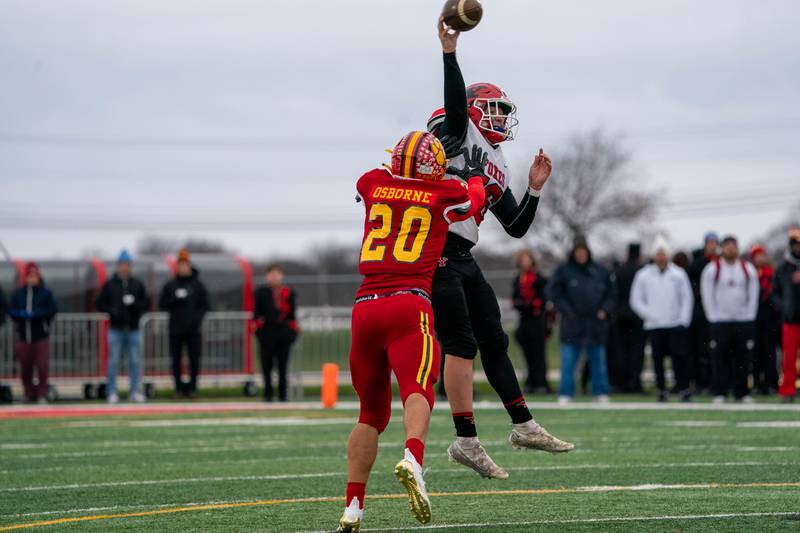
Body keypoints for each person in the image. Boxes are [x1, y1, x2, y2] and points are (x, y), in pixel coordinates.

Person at [424, 17, 573, 481]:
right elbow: (453, 103)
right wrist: (450, 54)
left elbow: (516, 227)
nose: (502, 119)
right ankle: (466, 439)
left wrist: (534, 189)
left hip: (463, 254)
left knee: (494, 339)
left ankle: (523, 425)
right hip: (435, 247)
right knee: (462, 342)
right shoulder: (456, 128)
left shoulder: (498, 160)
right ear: (473, 109)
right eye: (495, 110)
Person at [336, 131, 486, 532]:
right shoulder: (443, 193)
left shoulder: (372, 182)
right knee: (418, 387)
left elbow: (372, 182)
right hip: (408, 302)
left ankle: (354, 507)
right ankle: (414, 460)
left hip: (365, 307)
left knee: (369, 413)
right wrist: (472, 176)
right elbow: (475, 200)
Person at [547, 236, 614, 404]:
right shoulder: (564, 271)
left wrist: (604, 310)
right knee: (568, 361)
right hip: (572, 323)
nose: (581, 254)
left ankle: (601, 392)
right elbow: (554, 293)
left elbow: (612, 294)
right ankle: (566, 393)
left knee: (598, 361)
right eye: (578, 251)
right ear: (573, 252)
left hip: (595, 324)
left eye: (584, 251)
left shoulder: (600, 270)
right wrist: (567, 311)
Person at [629, 236, 694, 402]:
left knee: (679, 357)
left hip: (675, 324)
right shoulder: (643, 275)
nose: (661, 257)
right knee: (658, 360)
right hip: (654, 325)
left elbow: (687, 298)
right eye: (658, 254)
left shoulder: (678, 274)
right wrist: (650, 314)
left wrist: (683, 320)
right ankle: (662, 389)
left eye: (663, 254)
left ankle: (683, 388)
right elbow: (635, 300)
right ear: (653, 256)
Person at [700, 235, 758, 403]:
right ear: (722, 248)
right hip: (720, 321)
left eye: (733, 245)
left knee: (743, 358)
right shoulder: (712, 269)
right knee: (720, 358)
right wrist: (713, 317)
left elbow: (753, 295)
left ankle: (741, 393)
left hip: (743, 320)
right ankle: (721, 392)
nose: (730, 249)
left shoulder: (748, 269)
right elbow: (707, 294)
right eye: (727, 246)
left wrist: (749, 317)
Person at [96, 250, 149, 404]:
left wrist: (134, 304)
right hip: (116, 330)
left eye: (127, 265)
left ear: (130, 266)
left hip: (133, 329)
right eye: (122, 265)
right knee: (113, 362)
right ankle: (112, 392)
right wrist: (112, 311)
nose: (124, 268)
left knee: (134, 362)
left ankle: (134, 392)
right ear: (118, 266)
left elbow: (146, 303)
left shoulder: (137, 284)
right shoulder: (110, 284)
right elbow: (100, 303)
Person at [159, 249, 209, 399]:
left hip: (193, 330)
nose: (183, 267)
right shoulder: (170, 285)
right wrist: (175, 299)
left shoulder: (198, 285)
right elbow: (162, 304)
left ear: (189, 265)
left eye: (185, 264)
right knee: (175, 361)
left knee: (194, 360)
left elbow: (205, 305)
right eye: (180, 264)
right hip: (175, 329)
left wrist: (196, 320)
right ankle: (179, 389)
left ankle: (192, 389)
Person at [8, 262, 57, 403]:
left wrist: (36, 314)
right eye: (29, 275)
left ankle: (42, 394)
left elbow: (52, 310)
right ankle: (28, 394)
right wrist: (20, 314)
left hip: (41, 336)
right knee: (25, 368)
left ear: (38, 276)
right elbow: (11, 310)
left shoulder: (46, 293)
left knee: (42, 367)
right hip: (24, 337)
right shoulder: (18, 294)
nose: (32, 278)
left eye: (34, 275)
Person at [254, 264, 299, 402]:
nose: (274, 277)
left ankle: (283, 395)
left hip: (283, 334)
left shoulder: (289, 293)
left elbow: (292, 316)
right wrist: (260, 332)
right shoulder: (260, 293)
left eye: (277, 274)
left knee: (282, 367)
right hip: (267, 334)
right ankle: (268, 394)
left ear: (281, 275)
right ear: (267, 276)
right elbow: (256, 315)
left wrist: (291, 333)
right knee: (266, 366)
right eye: (271, 274)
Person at [511, 250, 552, 394]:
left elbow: (541, 301)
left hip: (538, 321)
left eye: (527, 259)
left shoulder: (540, 279)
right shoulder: (517, 279)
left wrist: (528, 304)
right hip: (524, 321)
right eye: (522, 260)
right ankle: (530, 382)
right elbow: (515, 301)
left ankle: (541, 383)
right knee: (527, 354)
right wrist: (526, 304)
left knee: (538, 354)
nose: (525, 263)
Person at [611, 243, 645, 393]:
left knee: (621, 352)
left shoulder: (619, 271)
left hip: (620, 316)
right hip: (638, 316)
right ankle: (634, 383)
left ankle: (620, 383)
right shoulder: (642, 271)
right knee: (637, 352)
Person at [687, 232, 718, 393]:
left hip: (718, 313)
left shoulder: (720, 263)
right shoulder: (697, 264)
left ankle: (716, 381)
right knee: (700, 349)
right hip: (700, 312)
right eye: (710, 243)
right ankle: (701, 382)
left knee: (715, 349)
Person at [773, 228, 800, 403]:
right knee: (788, 358)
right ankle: (787, 389)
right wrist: (785, 307)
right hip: (790, 320)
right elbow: (775, 294)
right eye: (796, 245)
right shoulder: (783, 269)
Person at [749, 244, 780, 395]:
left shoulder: (772, 274)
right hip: (754, 318)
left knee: (770, 352)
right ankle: (757, 384)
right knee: (755, 353)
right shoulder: (750, 273)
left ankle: (771, 383)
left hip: (769, 319)